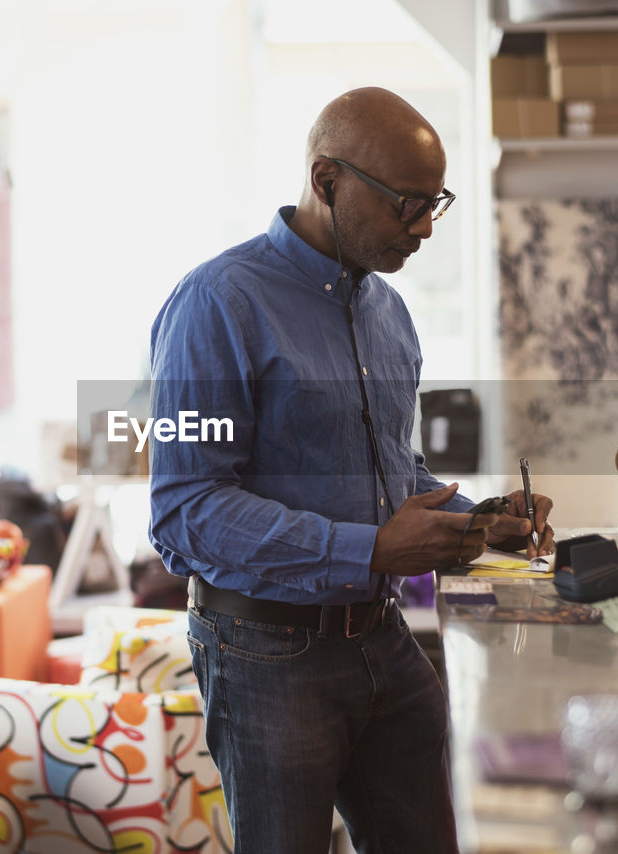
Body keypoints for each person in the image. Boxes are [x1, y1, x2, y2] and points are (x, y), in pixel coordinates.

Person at [148, 87, 554, 854]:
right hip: (266, 652)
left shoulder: (388, 314)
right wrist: (369, 550)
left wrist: (477, 516)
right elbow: (184, 511)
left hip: (384, 640)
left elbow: (393, 470)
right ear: (327, 179)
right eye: (408, 203)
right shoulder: (216, 305)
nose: (426, 226)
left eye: (437, 203)